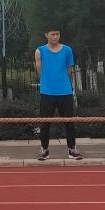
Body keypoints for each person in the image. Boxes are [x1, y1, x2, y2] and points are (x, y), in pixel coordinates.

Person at [34, 26, 82, 160]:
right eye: (53, 34)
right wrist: (48, 82)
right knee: (45, 123)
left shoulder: (67, 50)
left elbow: (69, 70)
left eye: (57, 34)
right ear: (46, 35)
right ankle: (44, 150)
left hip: (65, 92)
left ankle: (72, 149)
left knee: (69, 122)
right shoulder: (40, 51)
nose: (55, 37)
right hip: (47, 92)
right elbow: (39, 70)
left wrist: (66, 84)